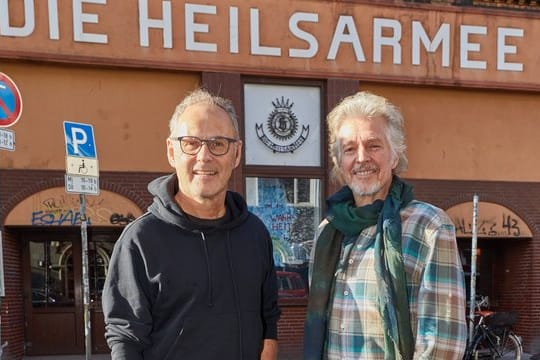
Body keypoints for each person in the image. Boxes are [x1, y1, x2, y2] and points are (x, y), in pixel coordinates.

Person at [102, 88, 281, 360]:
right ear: (172, 151)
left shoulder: (254, 233)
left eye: (218, 143)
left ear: (236, 153)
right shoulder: (141, 239)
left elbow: (268, 318)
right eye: (191, 143)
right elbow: (126, 338)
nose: (204, 156)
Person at [304, 91, 467, 359]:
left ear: (394, 156)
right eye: (349, 149)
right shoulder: (329, 231)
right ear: (338, 163)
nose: (361, 158)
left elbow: (442, 346)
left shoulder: (429, 227)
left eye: (373, 145)